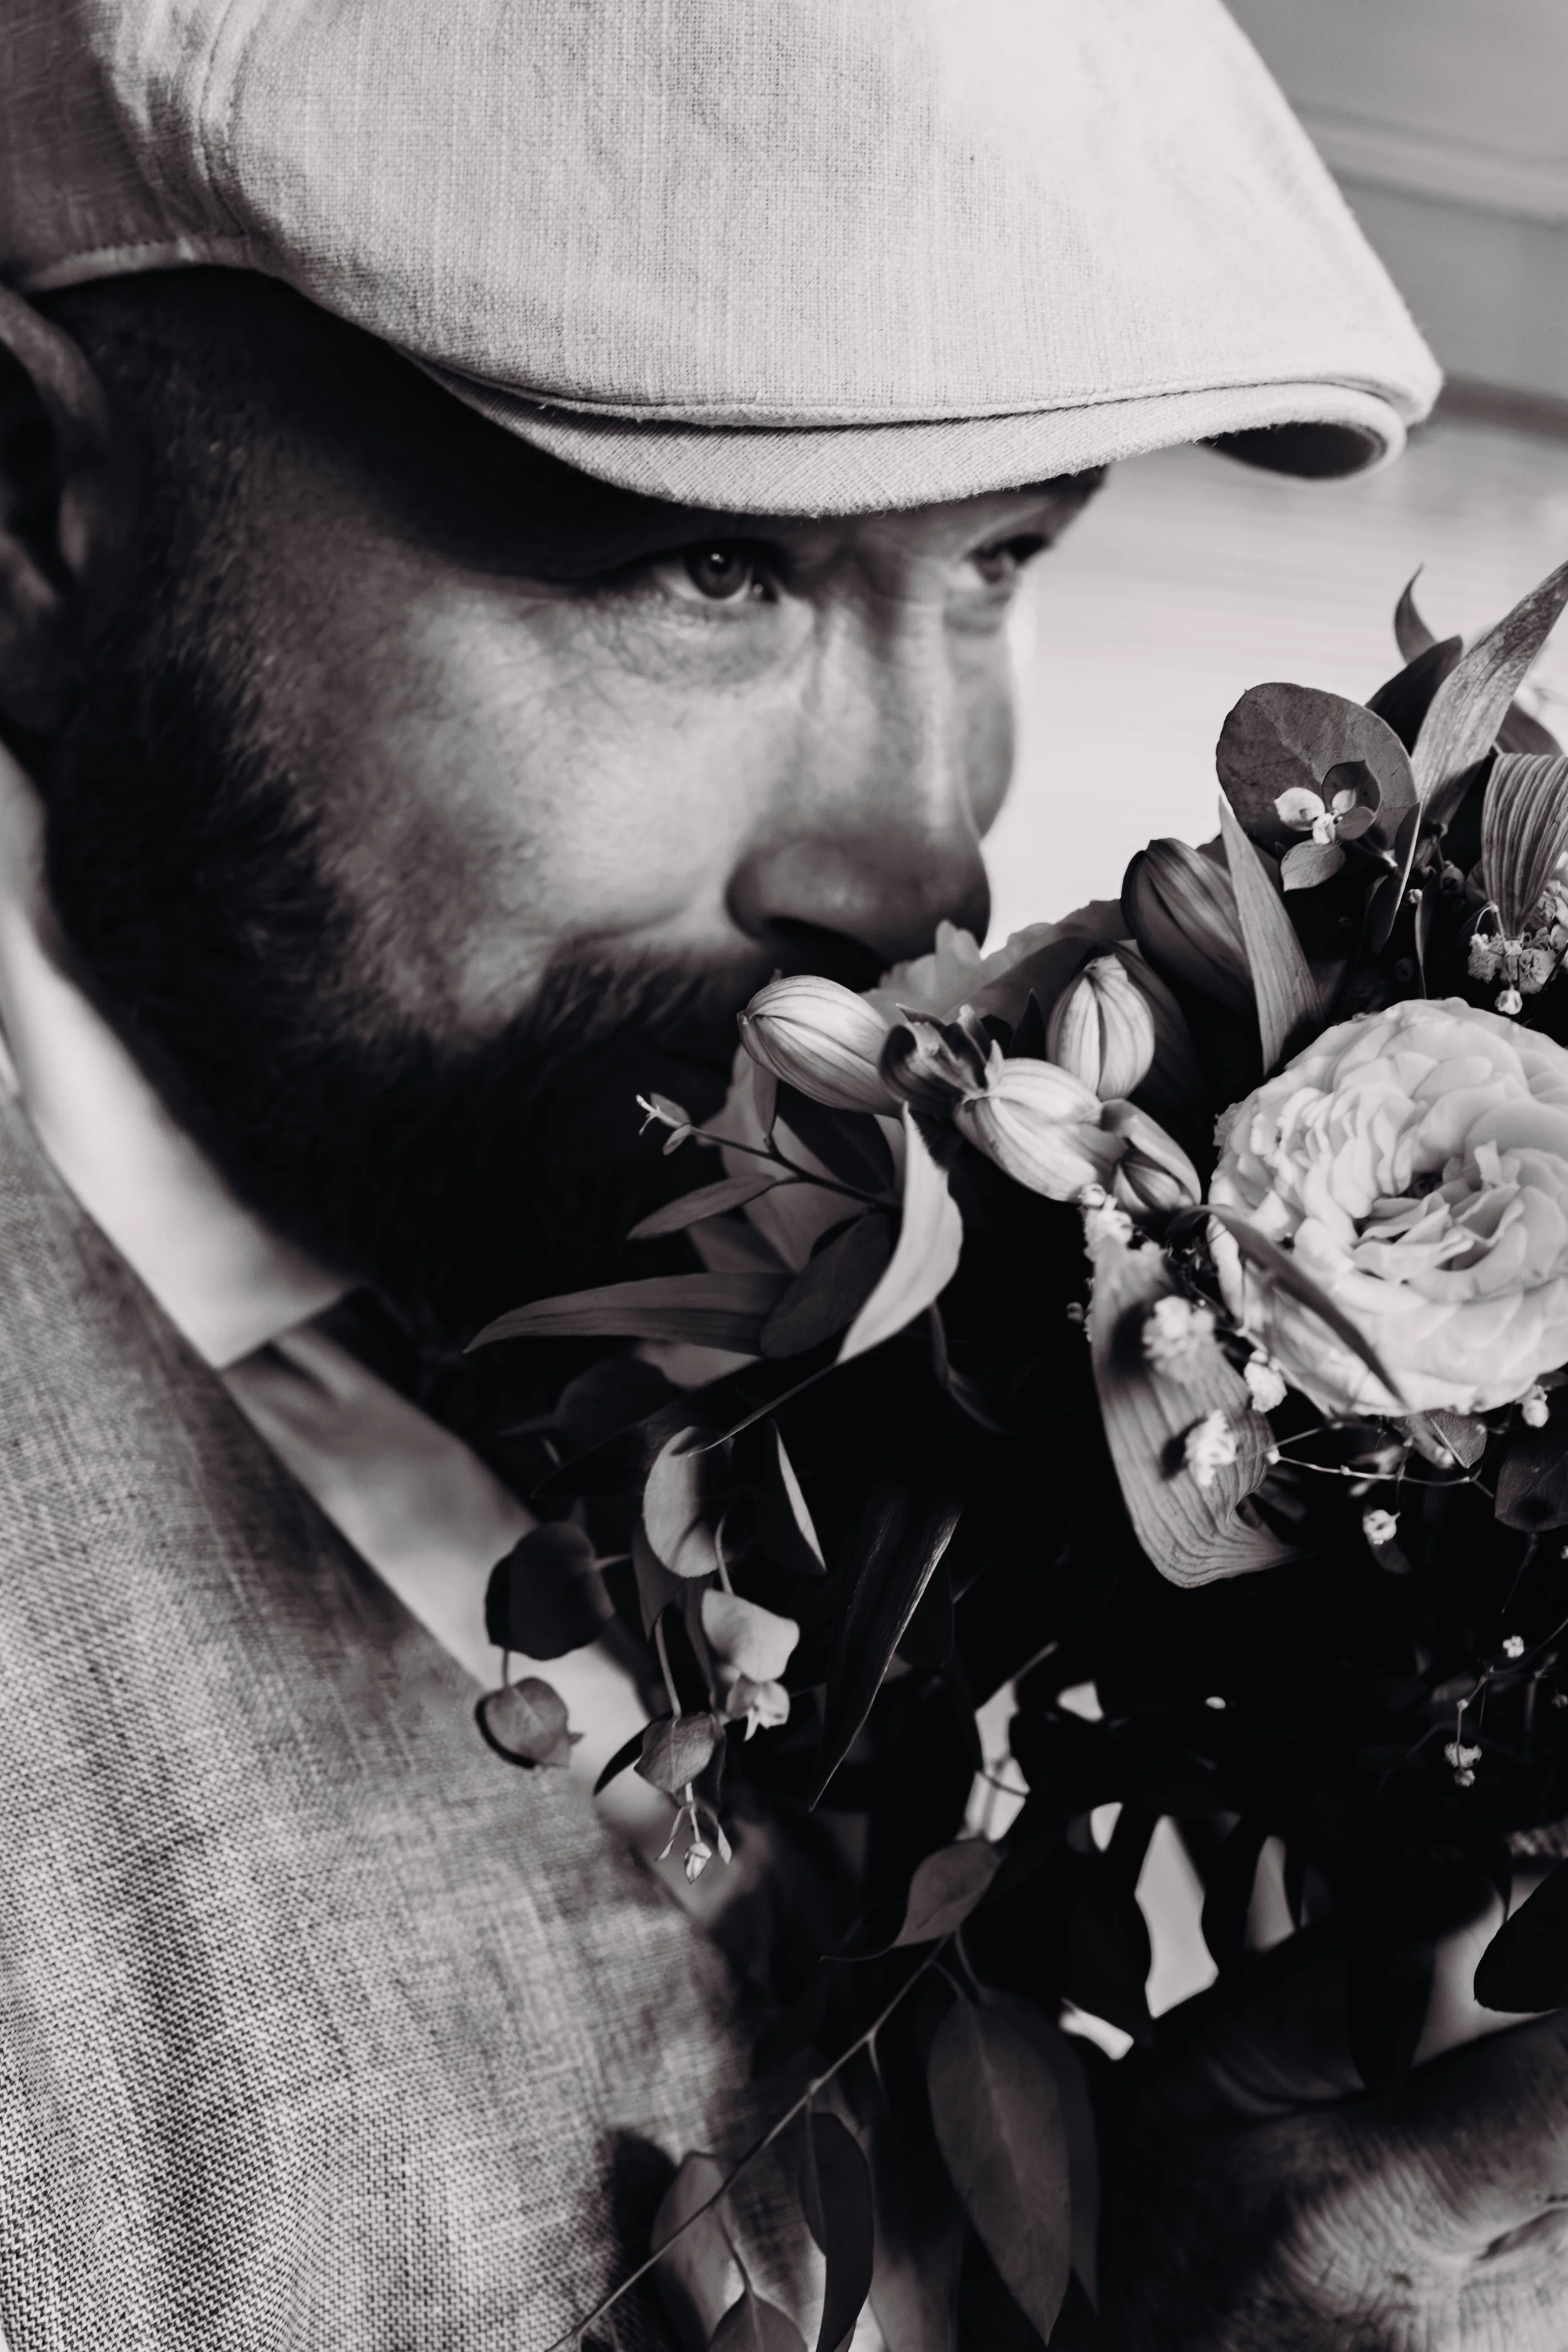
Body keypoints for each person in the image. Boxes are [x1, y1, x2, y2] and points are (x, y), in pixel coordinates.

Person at [3, 0, 1535, 2343]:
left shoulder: (911, 1310)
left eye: (1002, 552)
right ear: (34, 500)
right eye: (709, 564)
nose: (922, 855)